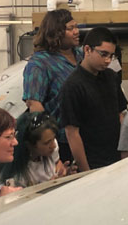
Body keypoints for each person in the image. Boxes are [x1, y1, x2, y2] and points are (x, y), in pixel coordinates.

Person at [60, 27, 128, 172]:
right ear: (87, 50)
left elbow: (120, 116)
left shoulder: (111, 77)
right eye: (103, 54)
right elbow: (72, 133)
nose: (108, 60)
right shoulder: (72, 86)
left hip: (117, 159)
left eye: (111, 56)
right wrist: (86, 172)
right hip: (93, 163)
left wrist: (126, 154)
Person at [23, 9, 83, 162]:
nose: (77, 32)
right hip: (61, 142)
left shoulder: (81, 56)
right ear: (55, 32)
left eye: (76, 27)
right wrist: (51, 146)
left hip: (87, 135)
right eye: (71, 29)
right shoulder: (39, 64)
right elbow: (35, 105)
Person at [0, 112, 77, 188]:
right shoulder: (16, 176)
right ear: (30, 145)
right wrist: (50, 185)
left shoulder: (51, 149)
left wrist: (64, 173)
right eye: (47, 143)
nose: (53, 146)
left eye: (53, 139)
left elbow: (57, 163)